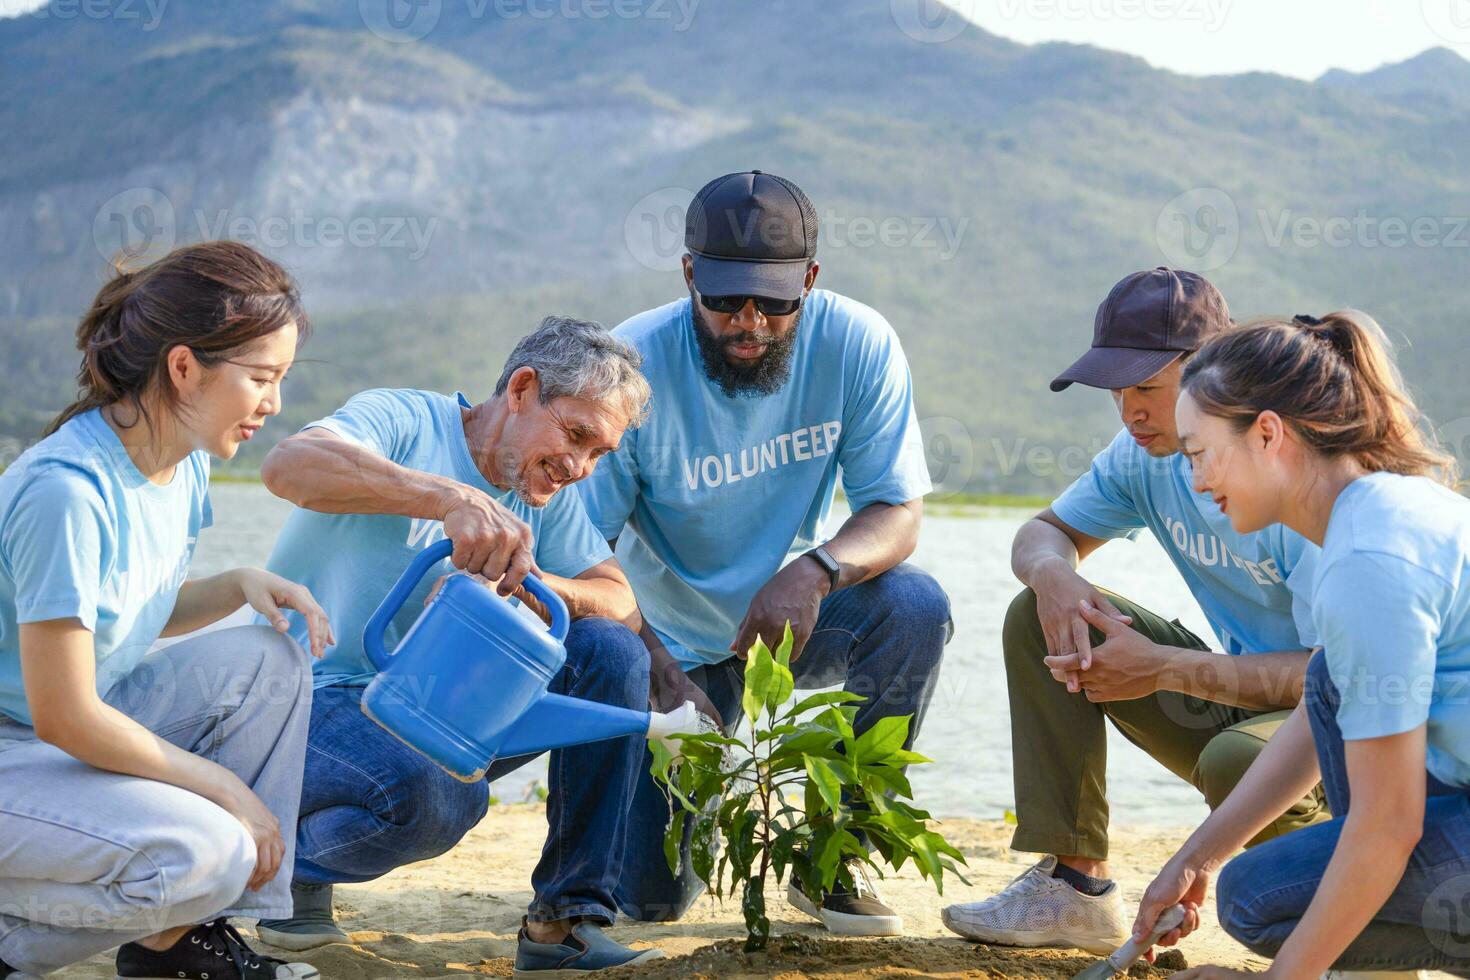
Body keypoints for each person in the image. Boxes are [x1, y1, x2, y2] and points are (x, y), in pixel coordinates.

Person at [579, 170, 952, 937]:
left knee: (914, 603)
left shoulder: (858, 342)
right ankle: (697, 802)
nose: (749, 322)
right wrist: (657, 669)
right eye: (723, 301)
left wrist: (816, 571)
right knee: (650, 901)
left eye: (775, 303)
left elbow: (896, 512)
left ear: (809, 281)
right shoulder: (631, 364)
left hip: (787, 631)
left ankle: (833, 854)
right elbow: (581, 549)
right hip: (667, 647)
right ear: (689, 275)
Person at [253, 316, 666, 975]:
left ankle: (565, 922)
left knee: (611, 654)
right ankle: (255, 865)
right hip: (301, 698)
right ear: (523, 389)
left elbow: (620, 601)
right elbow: (287, 466)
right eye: (578, 435)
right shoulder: (401, 418)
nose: (581, 467)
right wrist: (448, 498)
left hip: (422, 707)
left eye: (599, 454)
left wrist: (534, 582)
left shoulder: (544, 493)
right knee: (438, 795)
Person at [943, 268, 1326, 955]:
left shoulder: (1293, 470)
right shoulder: (1142, 452)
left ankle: (1341, 927)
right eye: (1117, 391)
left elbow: (1346, 679)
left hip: (1353, 731)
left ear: (1214, 373)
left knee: (1236, 757)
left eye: (1146, 387)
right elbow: (1040, 532)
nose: (1129, 412)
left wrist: (1165, 669)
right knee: (1040, 614)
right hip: (1254, 695)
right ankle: (1074, 889)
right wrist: (1054, 571)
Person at [0, 242, 332, 980]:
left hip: (57, 730)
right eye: (261, 379)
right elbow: (64, 715)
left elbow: (122, 613)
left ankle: (180, 945)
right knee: (206, 851)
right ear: (184, 367)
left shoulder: (181, 463)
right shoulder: (67, 492)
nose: (274, 404)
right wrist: (225, 789)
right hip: (19, 745)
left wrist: (241, 580)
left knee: (270, 656)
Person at [1131, 311, 1470, 977]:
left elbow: (1388, 825)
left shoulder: (1366, 560)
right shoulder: (1382, 512)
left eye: (1199, 454)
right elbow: (1328, 711)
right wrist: (1197, 856)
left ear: (1267, 434)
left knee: (1259, 901)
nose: (1197, 481)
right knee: (1326, 680)